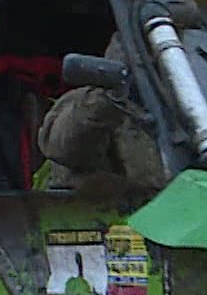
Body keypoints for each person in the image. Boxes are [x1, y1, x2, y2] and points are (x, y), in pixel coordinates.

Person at [36, 34, 166, 192]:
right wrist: (110, 96)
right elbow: (62, 148)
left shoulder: (195, 107)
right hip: (105, 212)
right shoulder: (88, 103)